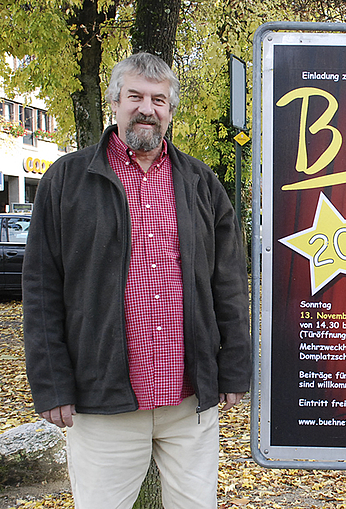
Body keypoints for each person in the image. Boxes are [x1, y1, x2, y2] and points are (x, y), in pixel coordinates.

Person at [23, 52, 252, 509]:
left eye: (159, 100)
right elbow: (42, 288)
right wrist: (51, 383)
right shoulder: (66, 180)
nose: (147, 108)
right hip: (102, 398)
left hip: (189, 400)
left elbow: (228, 282)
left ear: (170, 110)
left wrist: (234, 369)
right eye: (135, 96)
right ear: (115, 102)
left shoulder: (201, 183)